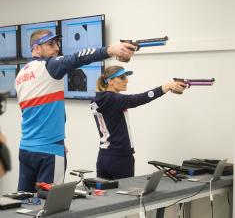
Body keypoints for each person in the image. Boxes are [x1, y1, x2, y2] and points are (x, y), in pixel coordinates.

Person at [15, 29, 135, 192]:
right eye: (51, 44)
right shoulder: (48, 67)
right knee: (50, 206)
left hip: (26, 149)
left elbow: (35, 112)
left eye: (57, 43)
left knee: (23, 202)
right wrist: (111, 50)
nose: (57, 48)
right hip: (49, 152)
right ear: (36, 48)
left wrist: (59, 140)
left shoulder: (21, 74)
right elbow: (79, 57)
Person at [90, 65, 187, 180]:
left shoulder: (98, 99)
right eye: (121, 78)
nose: (126, 80)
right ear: (110, 81)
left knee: (104, 196)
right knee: (125, 196)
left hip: (103, 157)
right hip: (120, 158)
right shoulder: (114, 99)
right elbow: (140, 98)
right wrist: (166, 87)